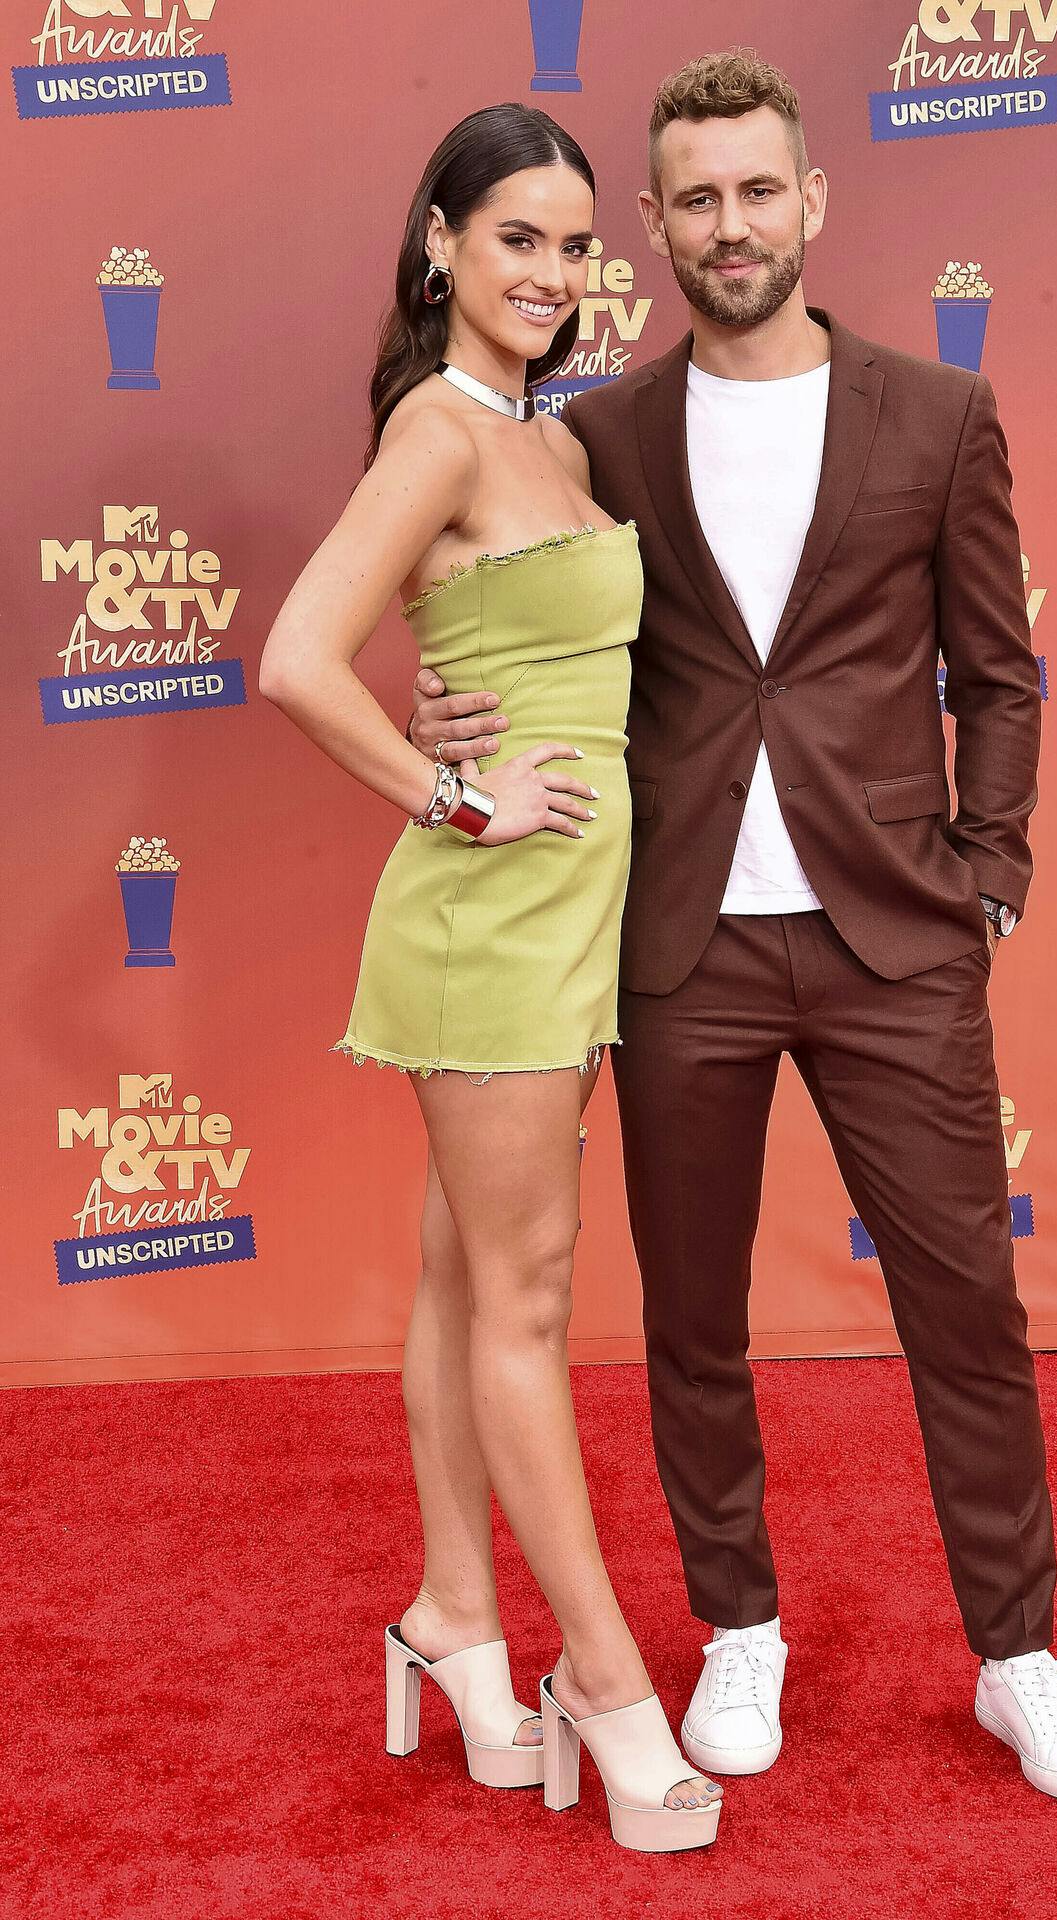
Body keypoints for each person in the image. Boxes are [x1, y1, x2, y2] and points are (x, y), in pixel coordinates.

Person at [411, 52, 1057, 1804]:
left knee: (968, 1305)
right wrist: (449, 719)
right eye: (695, 200)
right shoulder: (604, 434)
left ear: (812, 202)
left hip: (896, 934)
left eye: (758, 190)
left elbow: (1001, 668)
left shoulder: (938, 413)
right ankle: (739, 1626)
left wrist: (995, 866)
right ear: (649, 231)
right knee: (693, 1321)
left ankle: (1020, 1657)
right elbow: (531, 627)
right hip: (678, 953)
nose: (729, 225)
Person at [259, 103, 722, 1854]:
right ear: (441, 242)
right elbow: (298, 659)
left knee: (468, 1289)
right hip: (494, 925)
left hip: (571, 915)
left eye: (572, 244)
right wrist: (451, 783)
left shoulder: (557, 440)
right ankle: (601, 1680)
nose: (548, 272)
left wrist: (475, 710)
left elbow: (530, 648)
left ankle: (454, 1611)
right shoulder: (439, 435)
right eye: (513, 236)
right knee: (525, 1306)